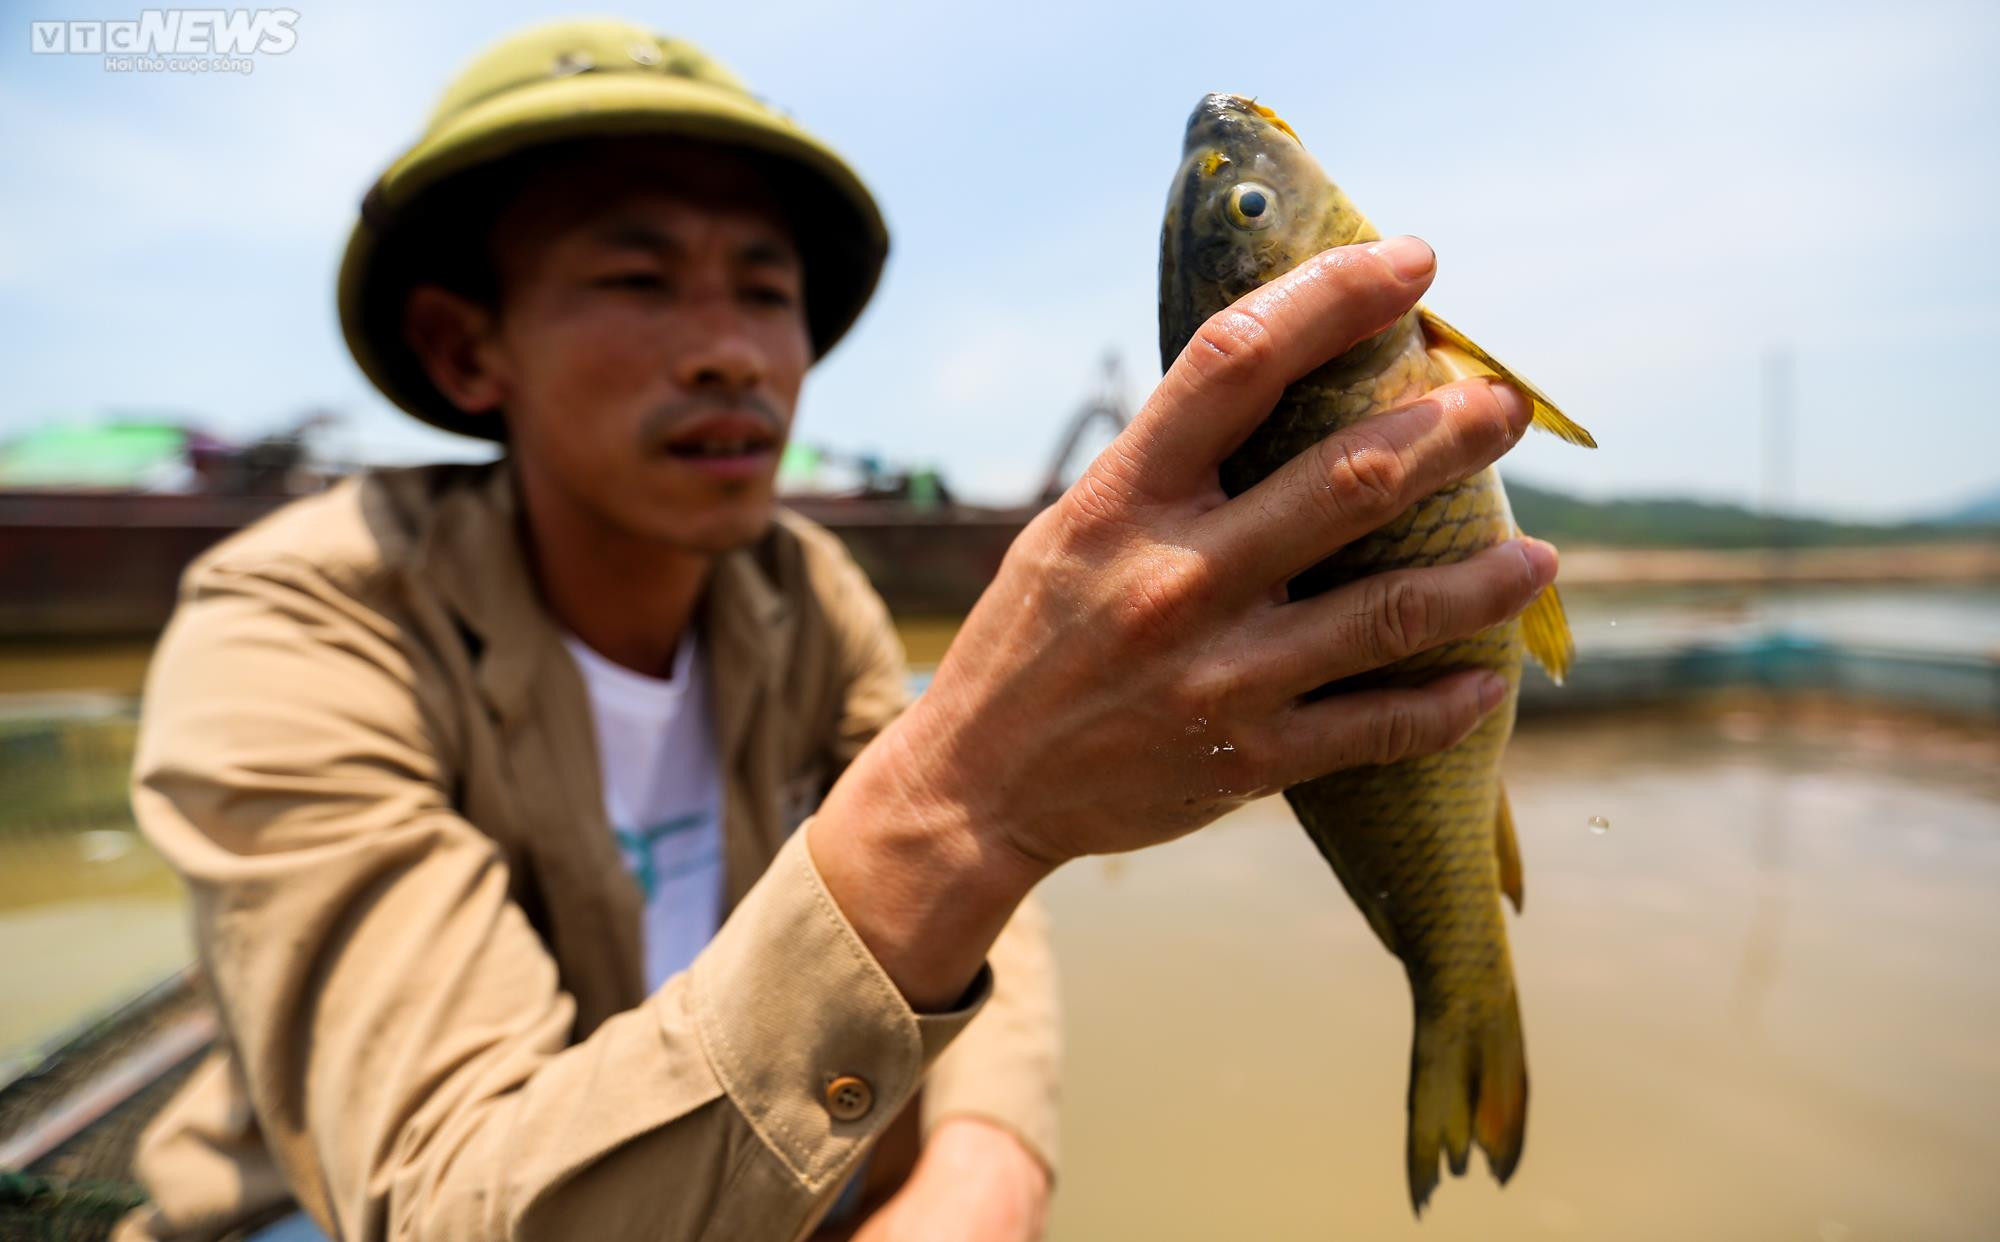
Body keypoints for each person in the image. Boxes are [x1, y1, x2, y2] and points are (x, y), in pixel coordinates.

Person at [118, 17, 1559, 1242]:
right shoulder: (296, 619)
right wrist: (967, 800)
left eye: (766, 290)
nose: (731, 347)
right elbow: (439, 1194)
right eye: (637, 278)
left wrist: (991, 1156)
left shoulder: (802, 595)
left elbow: (1006, 954)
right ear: (464, 346)